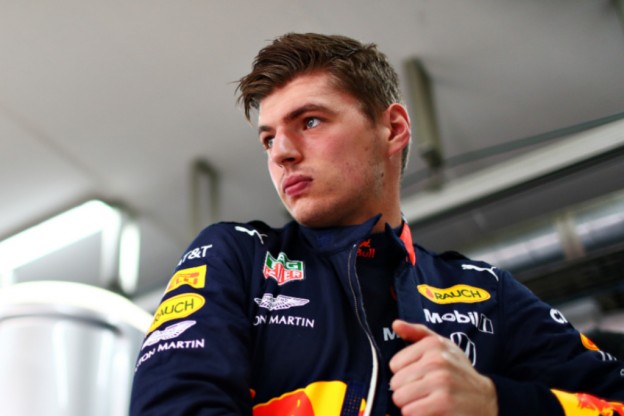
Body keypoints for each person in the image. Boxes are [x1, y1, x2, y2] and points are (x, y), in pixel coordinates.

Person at [130, 33, 624, 416]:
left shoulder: (486, 293)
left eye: (310, 121)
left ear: (393, 128)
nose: (281, 153)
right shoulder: (238, 256)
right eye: (268, 139)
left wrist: (494, 402)